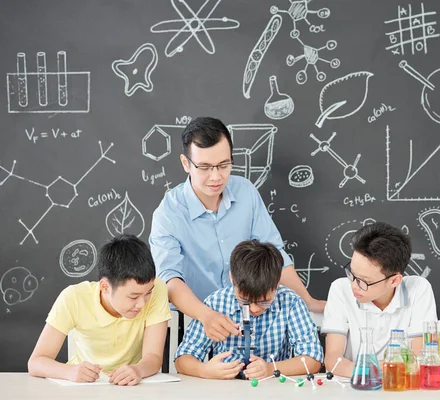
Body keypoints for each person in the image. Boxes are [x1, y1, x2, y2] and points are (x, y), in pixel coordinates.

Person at [149, 117, 325, 343]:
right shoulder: (168, 213)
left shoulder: (246, 192)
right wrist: (206, 315)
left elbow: (275, 253)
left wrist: (306, 300)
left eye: (224, 165)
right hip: (193, 321)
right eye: (204, 167)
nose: (216, 177)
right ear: (186, 163)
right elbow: (169, 279)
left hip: (253, 317)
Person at [28, 234, 171, 385]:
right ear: (105, 287)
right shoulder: (74, 297)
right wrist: (69, 371)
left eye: (148, 293)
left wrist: (139, 370)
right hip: (85, 386)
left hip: (132, 386)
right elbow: (36, 362)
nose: (142, 304)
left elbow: (153, 356)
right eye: (133, 297)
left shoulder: (157, 288)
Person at [174, 239, 323, 380]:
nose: (254, 309)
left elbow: (313, 359)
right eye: (244, 300)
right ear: (232, 278)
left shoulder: (291, 302)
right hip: (226, 389)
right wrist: (205, 370)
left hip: (274, 388)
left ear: (277, 283)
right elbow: (182, 358)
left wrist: (271, 368)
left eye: (264, 302)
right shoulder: (216, 303)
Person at [321, 221, 437, 377]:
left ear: (394, 280)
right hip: (353, 387)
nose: (354, 285)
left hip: (401, 387)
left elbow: (417, 357)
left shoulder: (419, 289)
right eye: (352, 273)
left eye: (365, 281)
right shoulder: (340, 289)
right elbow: (332, 359)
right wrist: (368, 372)